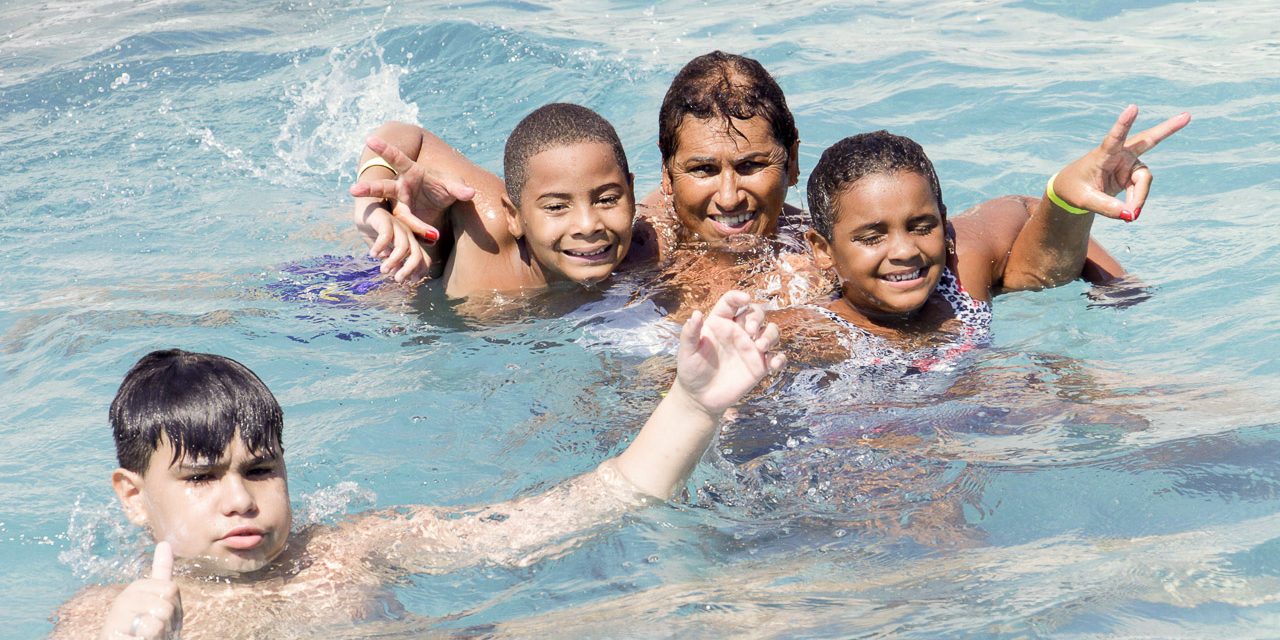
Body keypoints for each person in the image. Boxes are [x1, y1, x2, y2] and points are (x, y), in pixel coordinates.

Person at [49, 291, 784, 639]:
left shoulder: (354, 551)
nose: (240, 500)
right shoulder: (101, 619)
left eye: (261, 470)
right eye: (203, 479)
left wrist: (693, 404)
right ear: (133, 495)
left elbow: (586, 507)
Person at [351, 51, 1130, 303]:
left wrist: (1075, 203)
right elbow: (408, 144)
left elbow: (1019, 230)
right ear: (664, 172)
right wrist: (388, 195)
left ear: (792, 162)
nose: (729, 195)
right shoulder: (616, 234)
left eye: (754, 165)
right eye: (703, 170)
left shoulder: (837, 242)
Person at [782, 105, 1190, 369]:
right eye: (872, 237)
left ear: (944, 222)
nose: (905, 251)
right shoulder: (809, 335)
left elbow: (1024, 208)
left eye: (922, 227)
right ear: (822, 250)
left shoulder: (960, 276)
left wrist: (1113, 280)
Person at [351, 102, 657, 297]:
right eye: (556, 207)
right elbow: (401, 133)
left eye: (606, 200)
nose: (588, 225)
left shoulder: (651, 250)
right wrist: (371, 202)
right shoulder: (486, 225)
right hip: (356, 287)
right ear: (514, 215)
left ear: (630, 194)